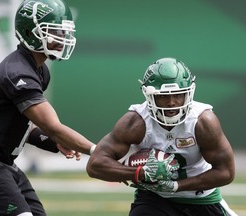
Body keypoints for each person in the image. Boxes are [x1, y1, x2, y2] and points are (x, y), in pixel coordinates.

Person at [0, 0, 96, 215]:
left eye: (64, 31)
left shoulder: (40, 71)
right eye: (55, 31)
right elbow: (53, 126)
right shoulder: (17, 72)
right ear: (30, 32)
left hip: (2, 163)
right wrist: (95, 150)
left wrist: (54, 143)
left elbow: (25, 127)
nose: (62, 38)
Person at [86, 57, 237, 216]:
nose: (172, 102)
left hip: (201, 198)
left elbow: (226, 172)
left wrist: (176, 186)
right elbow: (95, 164)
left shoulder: (203, 122)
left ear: (188, 93)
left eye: (178, 95)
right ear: (149, 95)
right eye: (163, 96)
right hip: (155, 199)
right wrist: (140, 173)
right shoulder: (135, 122)